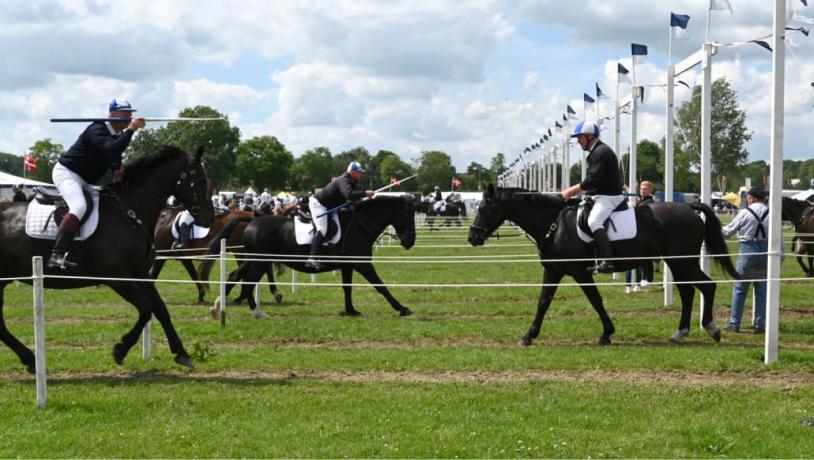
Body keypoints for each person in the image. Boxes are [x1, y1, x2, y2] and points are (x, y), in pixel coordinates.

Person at [47, 98, 145, 269]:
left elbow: (114, 156)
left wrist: (117, 169)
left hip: (84, 180)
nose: (129, 117)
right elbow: (111, 149)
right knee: (78, 206)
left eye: (130, 114)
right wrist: (131, 130)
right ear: (112, 114)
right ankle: (57, 254)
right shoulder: (97, 129)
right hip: (67, 173)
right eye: (125, 114)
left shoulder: (116, 135)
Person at [560, 121, 624, 273]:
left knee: (594, 221)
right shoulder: (596, 152)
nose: (578, 141)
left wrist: (570, 191)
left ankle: (609, 262)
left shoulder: (601, 152)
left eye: (580, 137)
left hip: (609, 197)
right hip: (599, 195)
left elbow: (592, 180)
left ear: (590, 136)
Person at [305, 162, 373, 269]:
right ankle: (312, 258)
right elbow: (349, 194)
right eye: (359, 172)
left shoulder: (351, 181)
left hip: (329, 205)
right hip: (319, 204)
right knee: (322, 229)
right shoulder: (344, 180)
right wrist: (365, 193)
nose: (361, 174)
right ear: (352, 172)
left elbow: (348, 198)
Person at [721, 187, 769, 334]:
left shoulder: (745, 212)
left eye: (748, 197)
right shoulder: (772, 213)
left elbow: (728, 232)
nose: (747, 200)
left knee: (740, 288)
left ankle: (734, 323)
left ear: (752, 198)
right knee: (761, 290)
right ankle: (759, 325)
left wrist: (713, 227)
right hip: (766, 251)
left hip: (748, 249)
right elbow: (779, 240)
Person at [625, 180, 655, 293]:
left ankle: (648, 278)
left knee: (647, 259)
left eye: (645, 189)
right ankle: (641, 280)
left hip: (647, 234)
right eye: (641, 189)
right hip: (638, 233)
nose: (642, 190)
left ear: (650, 190)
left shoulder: (650, 202)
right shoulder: (642, 200)